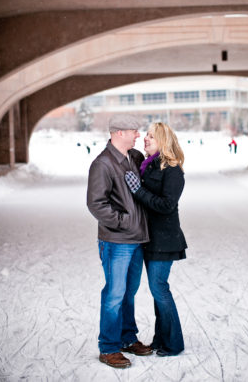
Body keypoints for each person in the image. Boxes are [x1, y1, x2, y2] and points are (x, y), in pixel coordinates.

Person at [87, 114, 152, 369]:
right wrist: (125, 222)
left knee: (129, 293)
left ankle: (127, 338)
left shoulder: (133, 157)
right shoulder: (102, 164)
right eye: (133, 131)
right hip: (117, 241)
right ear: (118, 133)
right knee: (114, 294)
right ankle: (108, 347)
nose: (138, 135)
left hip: (136, 240)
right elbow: (96, 204)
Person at [125, 122, 187, 357]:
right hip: (149, 239)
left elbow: (166, 205)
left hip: (165, 239)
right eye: (147, 136)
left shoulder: (172, 169)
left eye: (152, 136)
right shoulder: (148, 165)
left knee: (159, 288)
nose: (146, 139)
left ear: (164, 141)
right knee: (157, 291)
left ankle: (173, 343)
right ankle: (161, 339)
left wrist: (138, 191)